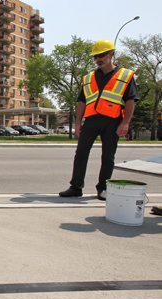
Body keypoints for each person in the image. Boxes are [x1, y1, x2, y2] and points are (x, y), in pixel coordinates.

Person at [59, 39, 139, 200]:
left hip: (113, 121)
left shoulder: (125, 75)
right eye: (95, 56)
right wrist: (77, 122)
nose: (98, 59)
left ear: (111, 54)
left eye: (101, 55)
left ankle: (103, 189)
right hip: (91, 120)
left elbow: (131, 100)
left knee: (108, 156)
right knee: (81, 152)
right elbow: (81, 101)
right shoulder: (88, 78)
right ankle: (76, 187)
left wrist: (125, 123)